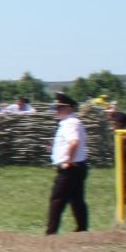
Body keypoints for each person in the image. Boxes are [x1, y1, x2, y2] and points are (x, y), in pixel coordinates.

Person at [45, 92, 89, 235]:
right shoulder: (69, 123)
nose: (56, 111)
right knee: (76, 200)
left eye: (59, 108)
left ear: (69, 108)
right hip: (76, 167)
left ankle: (51, 233)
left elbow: (74, 142)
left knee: (57, 200)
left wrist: (68, 160)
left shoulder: (71, 123)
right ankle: (82, 229)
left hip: (70, 168)